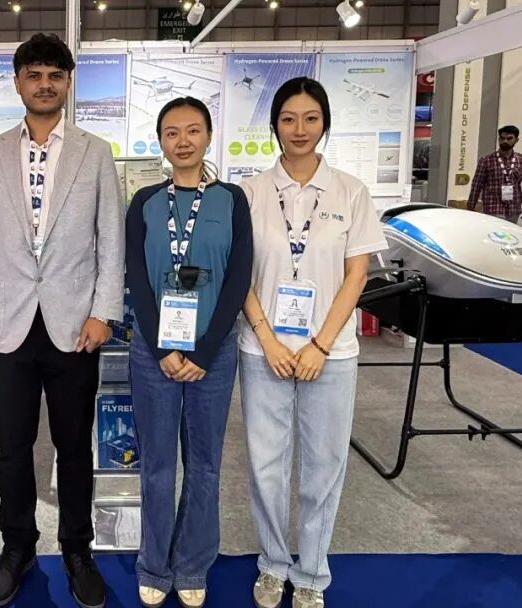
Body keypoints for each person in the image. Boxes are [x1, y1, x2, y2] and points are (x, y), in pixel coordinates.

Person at [0, 33, 125, 608]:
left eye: (55, 74)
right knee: (12, 447)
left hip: (75, 324)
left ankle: (77, 549)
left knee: (75, 446)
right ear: (18, 83)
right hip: (6, 323)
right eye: (34, 74)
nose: (45, 84)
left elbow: (111, 238)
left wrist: (103, 311)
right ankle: (17, 546)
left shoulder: (95, 152)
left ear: (68, 83)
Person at [238, 77, 387, 608]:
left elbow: (356, 275)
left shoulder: (351, 191)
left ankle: (311, 573)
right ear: (274, 125)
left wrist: (320, 345)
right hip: (263, 351)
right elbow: (239, 276)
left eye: (310, 118)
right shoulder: (250, 193)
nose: (299, 129)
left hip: (331, 353)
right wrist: (268, 338)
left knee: (323, 465)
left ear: (324, 123)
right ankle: (273, 564)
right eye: (288, 119)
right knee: (266, 465)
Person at [124, 97, 252, 608]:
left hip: (212, 353)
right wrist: (162, 347)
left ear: (208, 136)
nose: (183, 141)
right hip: (152, 353)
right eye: (172, 132)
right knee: (157, 465)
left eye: (193, 130)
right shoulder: (145, 202)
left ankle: (193, 563)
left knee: (204, 465)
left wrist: (204, 349)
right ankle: (154, 564)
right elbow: (136, 277)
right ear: (161, 141)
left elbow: (239, 277)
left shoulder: (232, 199)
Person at [467, 125, 522, 223]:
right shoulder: (486, 160)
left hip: (513, 209)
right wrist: (470, 207)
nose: (505, 141)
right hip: (493, 208)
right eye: (502, 138)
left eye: (509, 138)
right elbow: (476, 185)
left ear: (516, 140)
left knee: (510, 232)